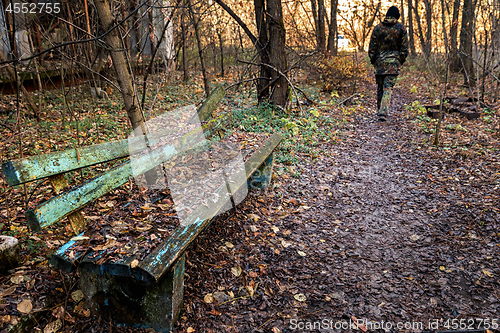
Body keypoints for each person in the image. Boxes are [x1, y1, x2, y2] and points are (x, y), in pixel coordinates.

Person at [368, 6, 409, 122]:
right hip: (393, 63)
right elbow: (404, 48)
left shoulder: (377, 28)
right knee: (388, 88)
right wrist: (399, 60)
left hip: (379, 63)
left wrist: (374, 60)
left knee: (380, 88)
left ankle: (380, 110)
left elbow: (372, 48)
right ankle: (383, 112)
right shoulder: (401, 28)